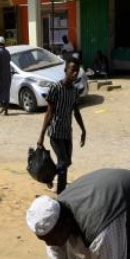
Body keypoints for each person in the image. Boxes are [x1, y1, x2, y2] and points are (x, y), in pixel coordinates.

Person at [37, 59, 86, 194]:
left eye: (77, 70)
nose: (75, 73)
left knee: (67, 162)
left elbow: (76, 112)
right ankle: (61, 194)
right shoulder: (56, 88)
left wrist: (83, 130)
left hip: (66, 132)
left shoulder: (75, 91)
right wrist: (41, 136)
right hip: (55, 132)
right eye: (72, 70)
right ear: (65, 70)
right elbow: (49, 113)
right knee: (63, 164)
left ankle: (48, 175)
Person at [0, 37, 12, 115]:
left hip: (1, 76)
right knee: (6, 92)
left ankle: (3, 106)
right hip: (8, 76)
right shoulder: (7, 52)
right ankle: (6, 110)